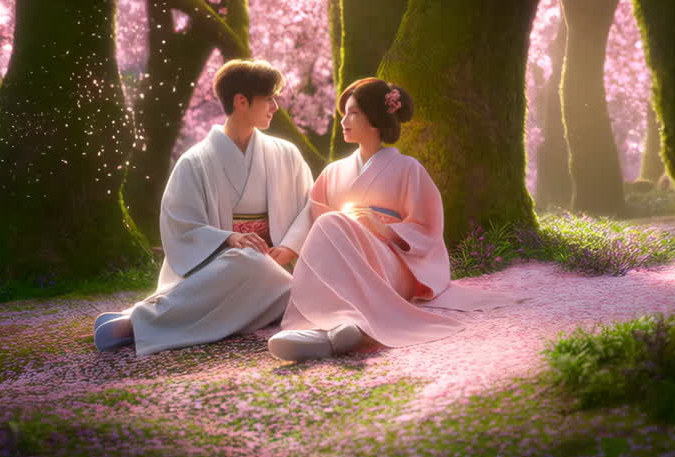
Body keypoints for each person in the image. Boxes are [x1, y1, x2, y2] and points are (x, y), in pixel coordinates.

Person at [267, 78, 523, 362]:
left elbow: (427, 229)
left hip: (390, 263)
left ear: (375, 120)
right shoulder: (332, 172)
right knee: (329, 226)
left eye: (353, 113)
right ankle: (341, 329)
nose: (344, 122)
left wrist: (383, 229)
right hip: (346, 259)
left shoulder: (408, 169)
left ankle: (338, 324)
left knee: (330, 224)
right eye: (344, 114)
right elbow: (317, 219)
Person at [94, 60, 313, 355]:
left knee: (286, 289)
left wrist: (288, 248)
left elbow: (307, 207)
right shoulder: (194, 162)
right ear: (241, 101)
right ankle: (142, 321)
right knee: (250, 263)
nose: (275, 106)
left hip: (274, 265)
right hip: (220, 266)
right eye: (269, 98)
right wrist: (230, 238)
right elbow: (181, 225)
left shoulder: (287, 154)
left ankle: (136, 321)